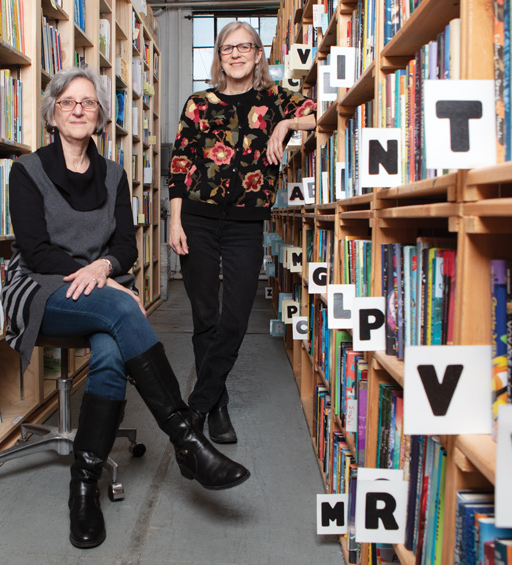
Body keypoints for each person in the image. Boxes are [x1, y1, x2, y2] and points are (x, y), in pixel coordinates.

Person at [2, 66, 250, 551]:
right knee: (122, 312)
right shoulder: (26, 171)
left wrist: (105, 270)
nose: (78, 109)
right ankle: (187, 440)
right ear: (53, 113)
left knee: (113, 352)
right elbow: (33, 249)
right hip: (40, 288)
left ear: (99, 116)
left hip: (103, 290)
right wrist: (101, 278)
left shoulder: (115, 175)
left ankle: (83, 486)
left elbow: (126, 246)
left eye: (89, 103)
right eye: (68, 101)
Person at [168, 21, 316, 444]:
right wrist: (175, 221)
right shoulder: (199, 103)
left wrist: (285, 126)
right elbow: (180, 164)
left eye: (244, 47)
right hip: (196, 217)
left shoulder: (275, 100)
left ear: (257, 55)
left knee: (234, 318)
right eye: (227, 48)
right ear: (220, 56)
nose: (235, 54)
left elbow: (323, 111)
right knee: (204, 315)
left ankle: (196, 405)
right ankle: (217, 406)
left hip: (247, 223)